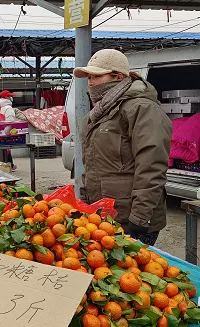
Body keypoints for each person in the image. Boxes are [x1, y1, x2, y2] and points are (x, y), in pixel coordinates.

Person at [73, 49, 172, 246]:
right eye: (88, 77)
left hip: (132, 220)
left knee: (132, 274)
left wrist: (140, 218)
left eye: (97, 76)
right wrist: (86, 203)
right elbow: (92, 166)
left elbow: (151, 167)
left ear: (118, 77)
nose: (90, 82)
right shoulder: (96, 115)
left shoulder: (141, 109)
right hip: (103, 216)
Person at [0, 90, 17, 171]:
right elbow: (11, 120)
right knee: (7, 148)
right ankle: (9, 165)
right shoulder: (8, 108)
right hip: (6, 131)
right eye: (10, 96)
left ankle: (8, 164)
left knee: (2, 149)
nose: (11, 98)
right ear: (6, 98)